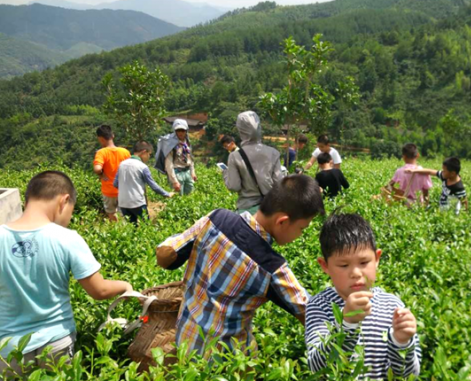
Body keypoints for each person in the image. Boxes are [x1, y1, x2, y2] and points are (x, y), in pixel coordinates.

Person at [156, 175, 324, 359]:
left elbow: (169, 253)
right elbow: (310, 312)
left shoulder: (216, 218)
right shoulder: (271, 268)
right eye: (302, 228)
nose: (300, 235)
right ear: (282, 221)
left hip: (186, 341)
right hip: (227, 363)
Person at [0, 171, 131, 378]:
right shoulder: (66, 238)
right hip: (56, 343)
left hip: (8, 349)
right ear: (65, 200)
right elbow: (100, 290)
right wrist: (125, 285)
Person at [306, 213, 421, 379]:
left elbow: (409, 376)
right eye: (344, 265)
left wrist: (401, 342)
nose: (356, 273)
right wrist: (347, 324)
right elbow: (317, 369)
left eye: (364, 262)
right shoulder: (319, 306)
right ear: (325, 266)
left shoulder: (392, 306)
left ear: (377, 259)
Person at [223, 111, 283, 214]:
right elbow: (279, 183)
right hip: (269, 209)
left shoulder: (235, 156)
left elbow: (234, 186)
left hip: (247, 210)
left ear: (240, 130)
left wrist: (225, 174)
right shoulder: (273, 153)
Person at [113, 141, 173, 226]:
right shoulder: (142, 167)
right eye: (149, 154)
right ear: (143, 152)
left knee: (132, 228)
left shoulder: (122, 164)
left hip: (123, 203)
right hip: (137, 203)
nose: (148, 157)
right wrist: (167, 194)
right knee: (146, 226)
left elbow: (115, 183)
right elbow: (153, 186)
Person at [93, 124, 130, 221]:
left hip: (109, 190)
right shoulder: (125, 152)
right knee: (124, 214)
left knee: (111, 213)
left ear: (100, 139)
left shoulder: (101, 152)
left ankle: (116, 231)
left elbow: (97, 168)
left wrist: (101, 173)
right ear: (112, 135)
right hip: (124, 189)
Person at [165, 119, 197, 196]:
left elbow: (190, 158)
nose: (180, 133)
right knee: (178, 197)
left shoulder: (187, 143)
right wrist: (174, 181)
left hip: (187, 172)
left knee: (190, 195)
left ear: (186, 131)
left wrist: (192, 172)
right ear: (174, 131)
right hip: (177, 173)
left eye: (182, 130)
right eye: (178, 130)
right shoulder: (170, 145)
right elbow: (168, 164)